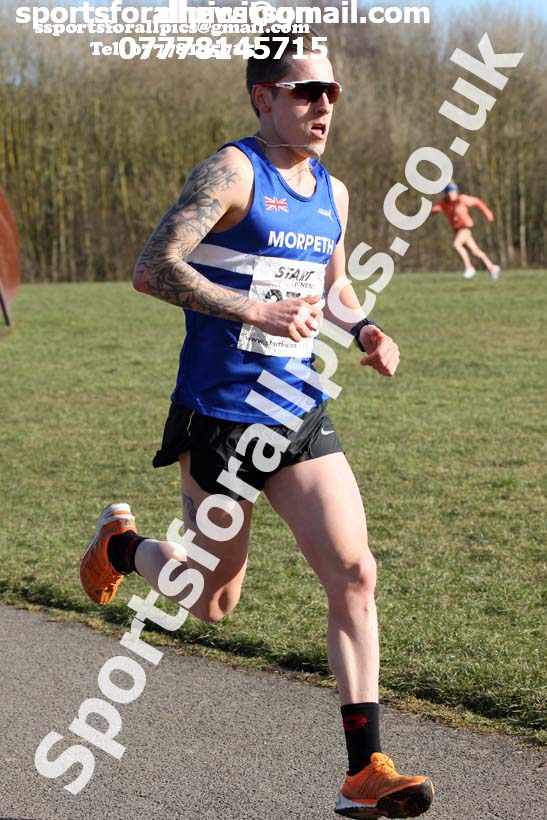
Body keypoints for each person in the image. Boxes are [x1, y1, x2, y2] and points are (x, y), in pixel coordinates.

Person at [80, 30, 434, 819]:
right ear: (263, 96)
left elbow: (332, 291)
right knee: (210, 602)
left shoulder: (332, 193)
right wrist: (253, 308)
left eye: (331, 92)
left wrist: (365, 331)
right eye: (306, 91)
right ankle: (122, 547)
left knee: (354, 571)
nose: (323, 105)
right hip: (220, 413)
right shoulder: (232, 170)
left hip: (296, 407)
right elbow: (152, 267)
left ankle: (363, 770)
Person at [432, 182, 501, 280]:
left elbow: (477, 202)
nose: (450, 194)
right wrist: (429, 212)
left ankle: (469, 267)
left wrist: (487, 212)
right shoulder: (444, 203)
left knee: (456, 245)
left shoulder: (462, 199)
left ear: (456, 192)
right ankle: (492, 267)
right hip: (457, 230)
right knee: (475, 251)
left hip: (465, 227)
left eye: (452, 192)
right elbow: (436, 208)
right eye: (448, 192)